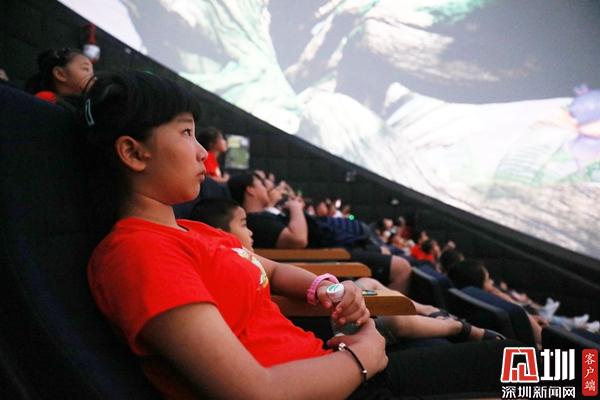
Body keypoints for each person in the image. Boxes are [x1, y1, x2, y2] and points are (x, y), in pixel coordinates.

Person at [83, 70, 515, 399]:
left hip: (333, 366)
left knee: (534, 368)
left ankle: (462, 332)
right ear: (133, 152)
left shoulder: (192, 232)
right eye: (186, 133)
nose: (202, 151)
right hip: (345, 382)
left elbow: (270, 271)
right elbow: (253, 391)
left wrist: (326, 289)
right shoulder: (140, 254)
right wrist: (363, 358)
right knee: (532, 375)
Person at [191, 197, 506, 344]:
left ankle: (426, 309)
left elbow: (275, 272)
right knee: (388, 313)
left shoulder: (240, 253)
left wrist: (328, 287)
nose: (250, 232)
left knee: (367, 282)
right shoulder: (221, 257)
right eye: (243, 224)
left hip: (316, 307)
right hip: (310, 323)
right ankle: (456, 328)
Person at [228, 172, 413, 293]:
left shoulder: (265, 216)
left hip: (333, 252)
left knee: (396, 259)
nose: (267, 188)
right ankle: (395, 323)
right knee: (401, 267)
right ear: (251, 190)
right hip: (328, 257)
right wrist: (296, 208)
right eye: (261, 184)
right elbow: (298, 239)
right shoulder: (257, 221)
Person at [25, 47, 94, 103]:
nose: (93, 77)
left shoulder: (88, 104)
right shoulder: (46, 99)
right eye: (86, 69)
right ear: (60, 74)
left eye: (92, 72)